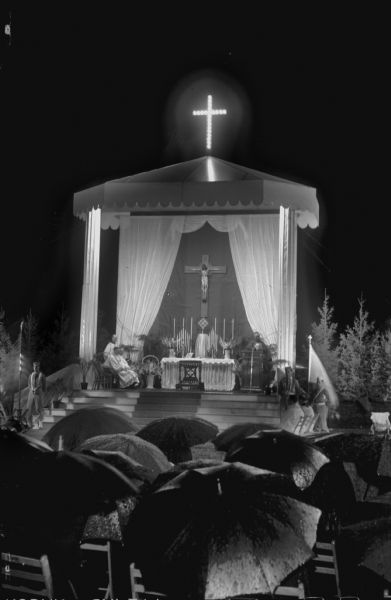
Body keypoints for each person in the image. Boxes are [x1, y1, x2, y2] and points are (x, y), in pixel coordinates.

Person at [24, 361, 46, 429]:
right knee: (30, 408)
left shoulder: (42, 375)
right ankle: (32, 424)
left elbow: (44, 385)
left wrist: (42, 392)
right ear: (33, 367)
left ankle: (40, 422)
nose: (35, 368)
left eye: (37, 366)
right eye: (34, 366)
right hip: (32, 393)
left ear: (39, 367)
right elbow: (29, 384)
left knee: (38, 408)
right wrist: (32, 389)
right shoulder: (31, 375)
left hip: (39, 393)